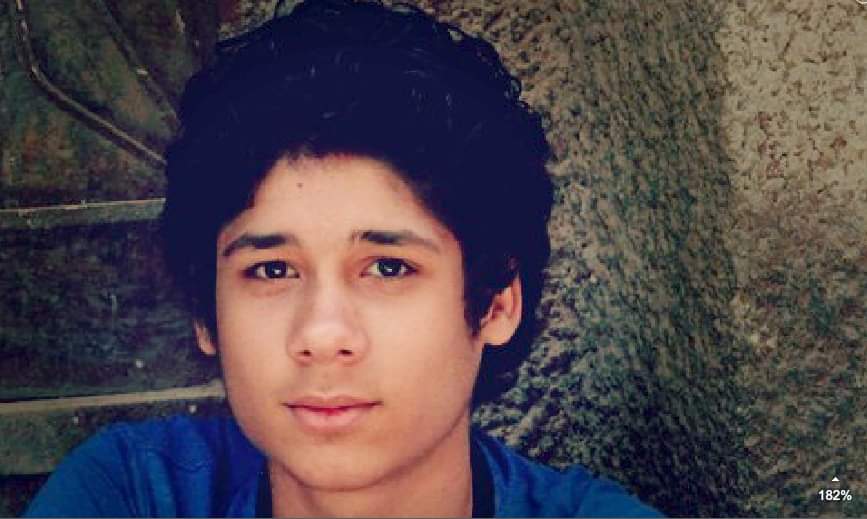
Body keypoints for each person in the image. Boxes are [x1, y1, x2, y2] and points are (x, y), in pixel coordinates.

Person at [25, 0, 662, 516]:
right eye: (272, 270)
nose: (322, 335)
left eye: (388, 267)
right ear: (205, 314)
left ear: (496, 303)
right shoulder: (131, 495)